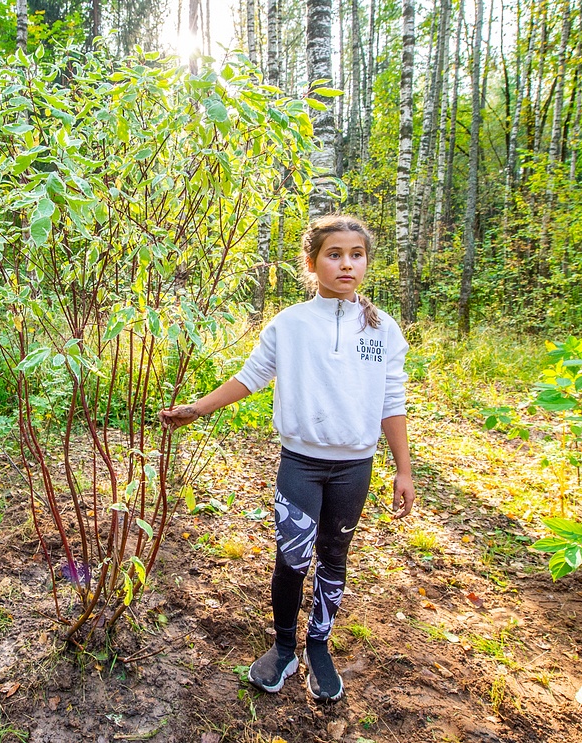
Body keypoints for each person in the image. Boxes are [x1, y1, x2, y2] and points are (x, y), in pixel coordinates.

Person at [159, 214, 415, 702]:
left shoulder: (383, 328)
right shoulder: (291, 323)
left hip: (354, 468)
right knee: (291, 559)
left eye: (356, 255)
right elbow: (252, 375)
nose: (346, 264)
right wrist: (198, 408)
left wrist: (404, 470)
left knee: (334, 558)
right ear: (312, 261)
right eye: (334, 254)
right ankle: (283, 648)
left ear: (366, 262)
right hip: (300, 463)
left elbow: (392, 400)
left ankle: (318, 646)